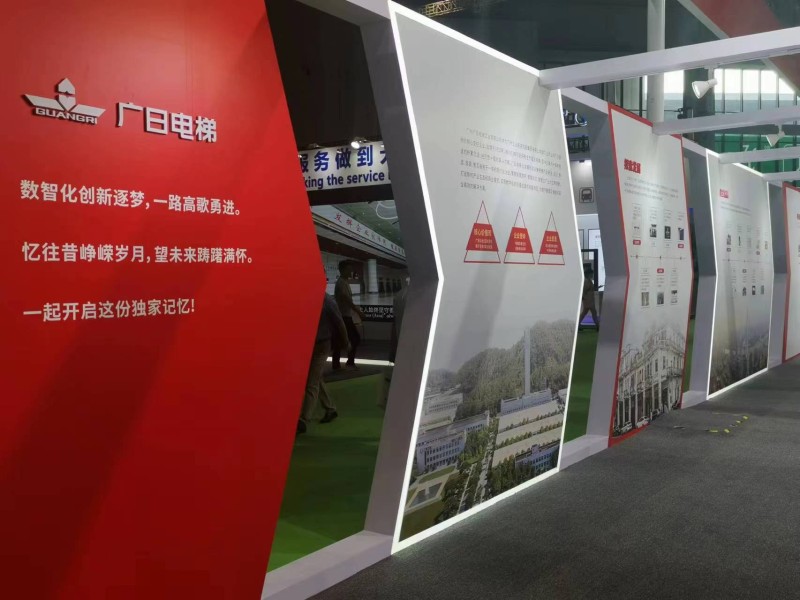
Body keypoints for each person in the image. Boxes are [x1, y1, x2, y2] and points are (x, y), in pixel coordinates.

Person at [298, 293, 349, 434]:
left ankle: (304, 419)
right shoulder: (310, 298)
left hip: (321, 346)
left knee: (311, 382)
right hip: (309, 344)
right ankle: (330, 408)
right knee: (315, 378)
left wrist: (346, 342)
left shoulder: (327, 301)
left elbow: (339, 322)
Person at [333, 260, 363, 370]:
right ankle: (349, 362)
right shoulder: (341, 283)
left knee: (339, 340)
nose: (350, 272)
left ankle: (337, 364)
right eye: (348, 269)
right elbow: (346, 299)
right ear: (342, 270)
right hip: (344, 317)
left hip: (344, 316)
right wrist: (358, 311)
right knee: (355, 338)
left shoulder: (344, 282)